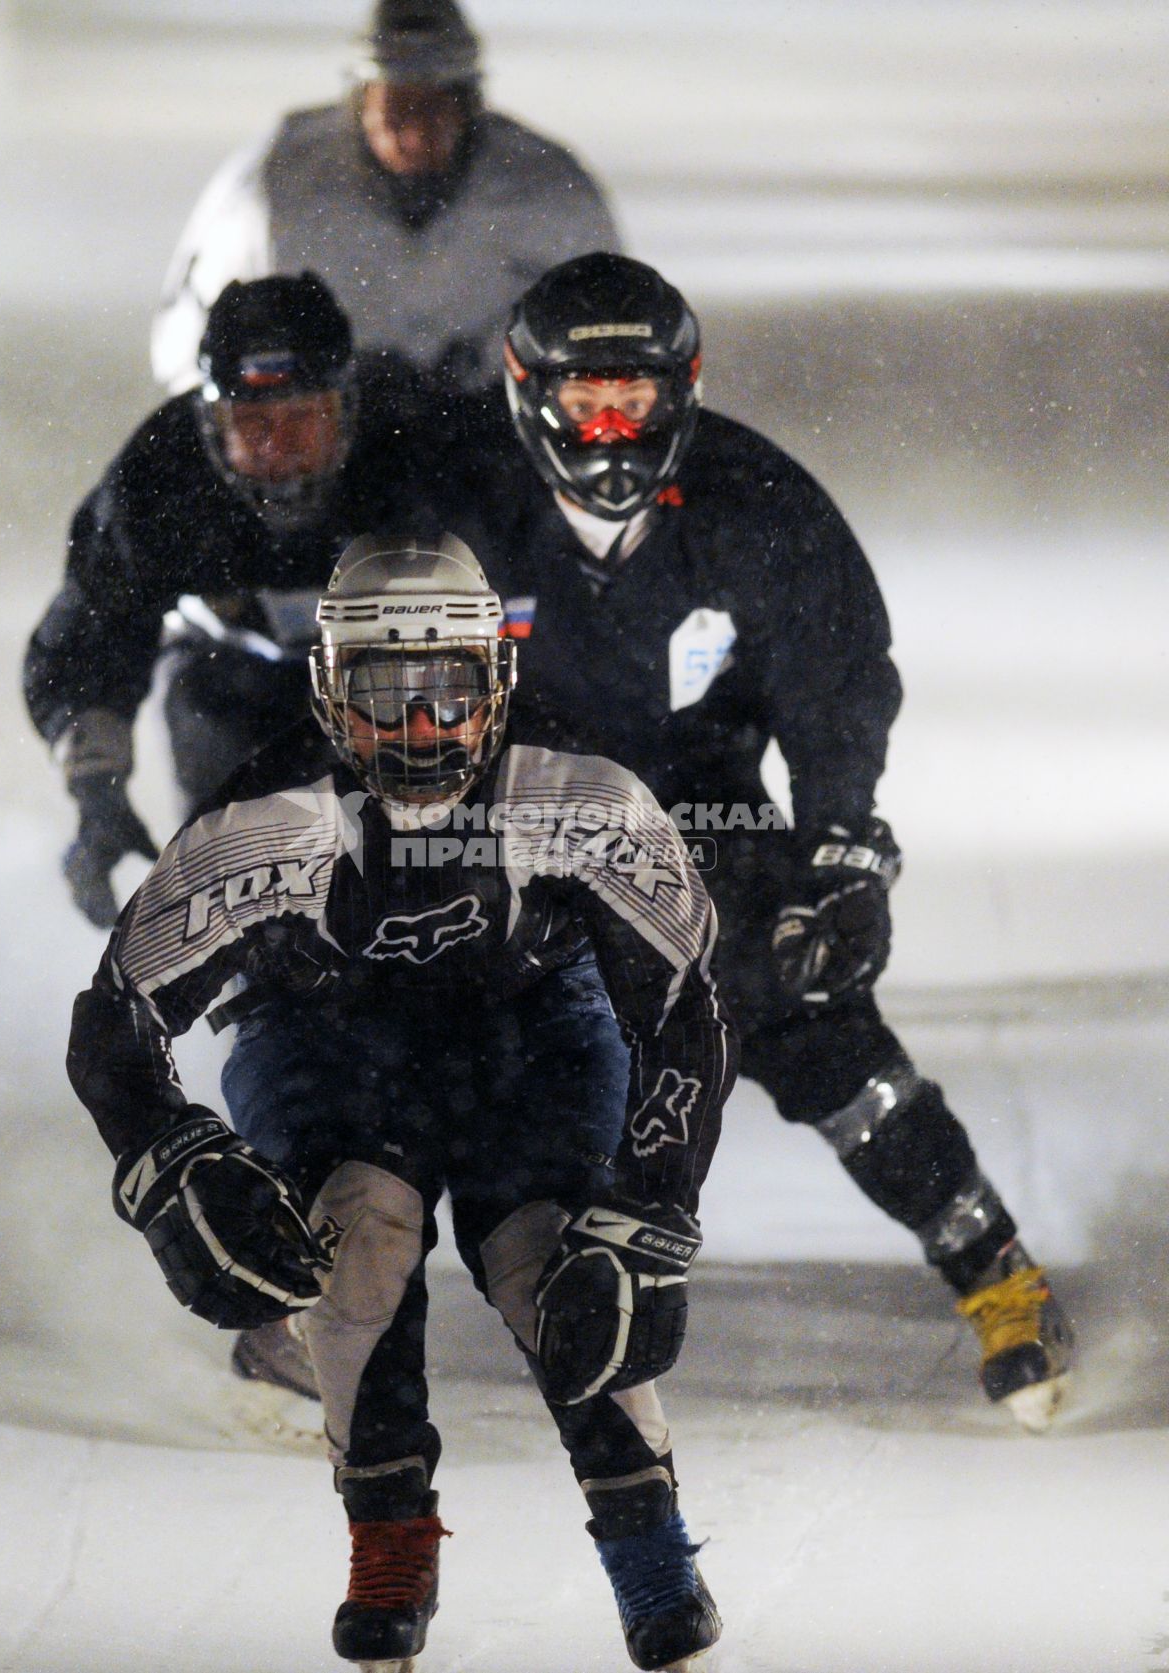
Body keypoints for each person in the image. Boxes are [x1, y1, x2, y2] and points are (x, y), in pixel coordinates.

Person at [428, 251, 1074, 1433]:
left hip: (705, 806)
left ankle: (996, 1268)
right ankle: (321, 1302)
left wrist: (838, 856)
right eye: (587, 400)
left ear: (684, 392)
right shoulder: (454, 499)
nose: (613, 428)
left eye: (638, 396)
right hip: (502, 816)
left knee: (805, 1003)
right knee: (402, 1027)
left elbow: (834, 691)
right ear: (528, 394)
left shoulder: (757, 503)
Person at [65, 535, 734, 1672]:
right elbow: (113, 1021)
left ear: (496, 684)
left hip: (533, 1028)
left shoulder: (581, 798)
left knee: (558, 1256)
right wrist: (170, 1159)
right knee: (355, 1240)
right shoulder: (264, 820)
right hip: (321, 1031)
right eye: (386, 694)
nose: (422, 728)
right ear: (330, 689)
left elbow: (684, 1010)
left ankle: (650, 1548)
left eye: (448, 692)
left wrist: (647, 1211)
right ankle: (387, 1536)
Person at [24, 271, 415, 933]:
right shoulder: (161, 476)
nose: (277, 449)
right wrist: (98, 795)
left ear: (348, 410)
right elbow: (90, 636)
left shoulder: (420, 444)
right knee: (247, 894)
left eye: (302, 420)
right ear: (209, 424)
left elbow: (540, 601)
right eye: (252, 423)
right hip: (228, 685)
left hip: (411, 688)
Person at [150, 0, 620, 402]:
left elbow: (617, 334)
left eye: (433, 108)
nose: (414, 132)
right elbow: (192, 338)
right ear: (359, 105)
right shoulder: (271, 187)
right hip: (316, 439)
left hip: (503, 436)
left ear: (468, 106)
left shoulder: (549, 191)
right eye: (396, 109)